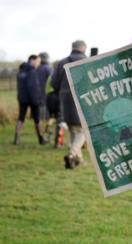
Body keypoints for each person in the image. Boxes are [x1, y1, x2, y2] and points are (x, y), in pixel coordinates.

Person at [51, 40, 87, 169]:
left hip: (65, 101)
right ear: (83, 48)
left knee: (73, 130)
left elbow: (54, 84)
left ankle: (79, 160)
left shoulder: (62, 63)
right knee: (83, 131)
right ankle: (72, 154)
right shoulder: (88, 62)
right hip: (83, 100)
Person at [13, 55, 48, 145]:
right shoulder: (32, 71)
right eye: (38, 61)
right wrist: (37, 100)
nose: (39, 64)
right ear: (32, 60)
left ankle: (16, 138)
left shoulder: (21, 71)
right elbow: (33, 87)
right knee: (37, 119)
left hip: (22, 99)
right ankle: (41, 138)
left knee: (21, 118)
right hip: (32, 99)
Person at [37, 52, 53, 123]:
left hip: (37, 91)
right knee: (47, 108)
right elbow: (53, 80)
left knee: (40, 107)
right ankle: (47, 125)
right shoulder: (48, 68)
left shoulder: (36, 68)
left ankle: (39, 123)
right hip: (47, 91)